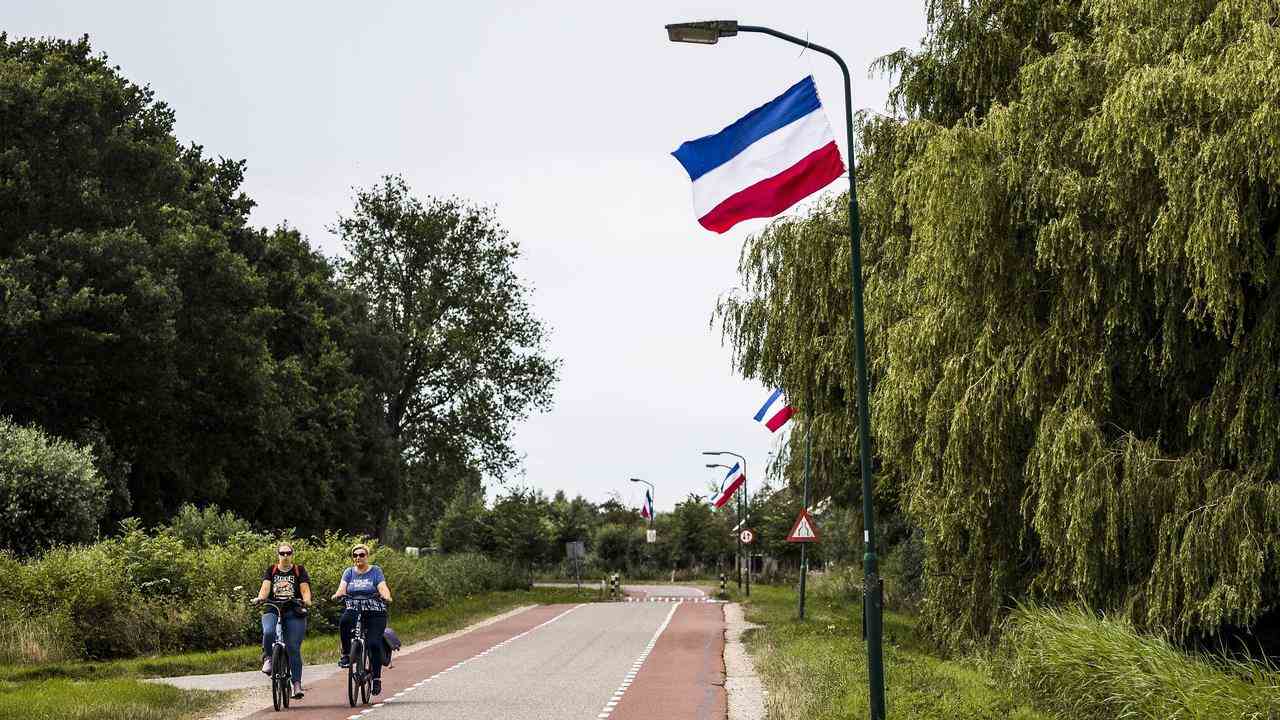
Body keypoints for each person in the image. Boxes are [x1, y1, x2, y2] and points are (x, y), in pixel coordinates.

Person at [331, 544, 393, 696]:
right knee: (344, 622)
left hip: (375, 612)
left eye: (361, 555)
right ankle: (346, 654)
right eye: (355, 555)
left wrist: (386, 596)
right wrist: (337, 595)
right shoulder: (349, 572)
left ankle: (377, 678)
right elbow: (342, 588)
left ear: (367, 556)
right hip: (354, 608)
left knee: (373, 643)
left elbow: (383, 587)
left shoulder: (375, 571)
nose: (358, 557)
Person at [252, 543, 312, 699]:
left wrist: (306, 600)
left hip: (293, 609)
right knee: (269, 631)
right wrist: (260, 598)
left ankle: (296, 684)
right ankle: (269, 658)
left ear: (292, 554)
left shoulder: (299, 570)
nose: (285, 555)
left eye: (288, 553)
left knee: (293, 647)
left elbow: (305, 589)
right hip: (273, 607)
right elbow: (265, 588)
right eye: (282, 553)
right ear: (278, 554)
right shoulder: (271, 570)